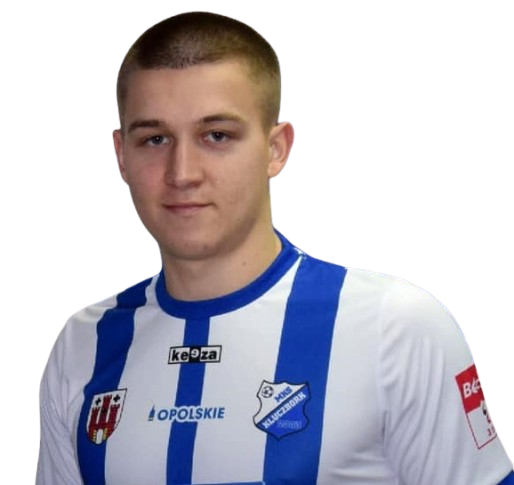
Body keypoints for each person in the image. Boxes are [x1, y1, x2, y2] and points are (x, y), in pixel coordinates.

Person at [36, 10, 513, 485]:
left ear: (276, 149)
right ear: (121, 155)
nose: (182, 173)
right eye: (155, 139)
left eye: (216, 136)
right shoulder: (83, 344)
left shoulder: (397, 328)